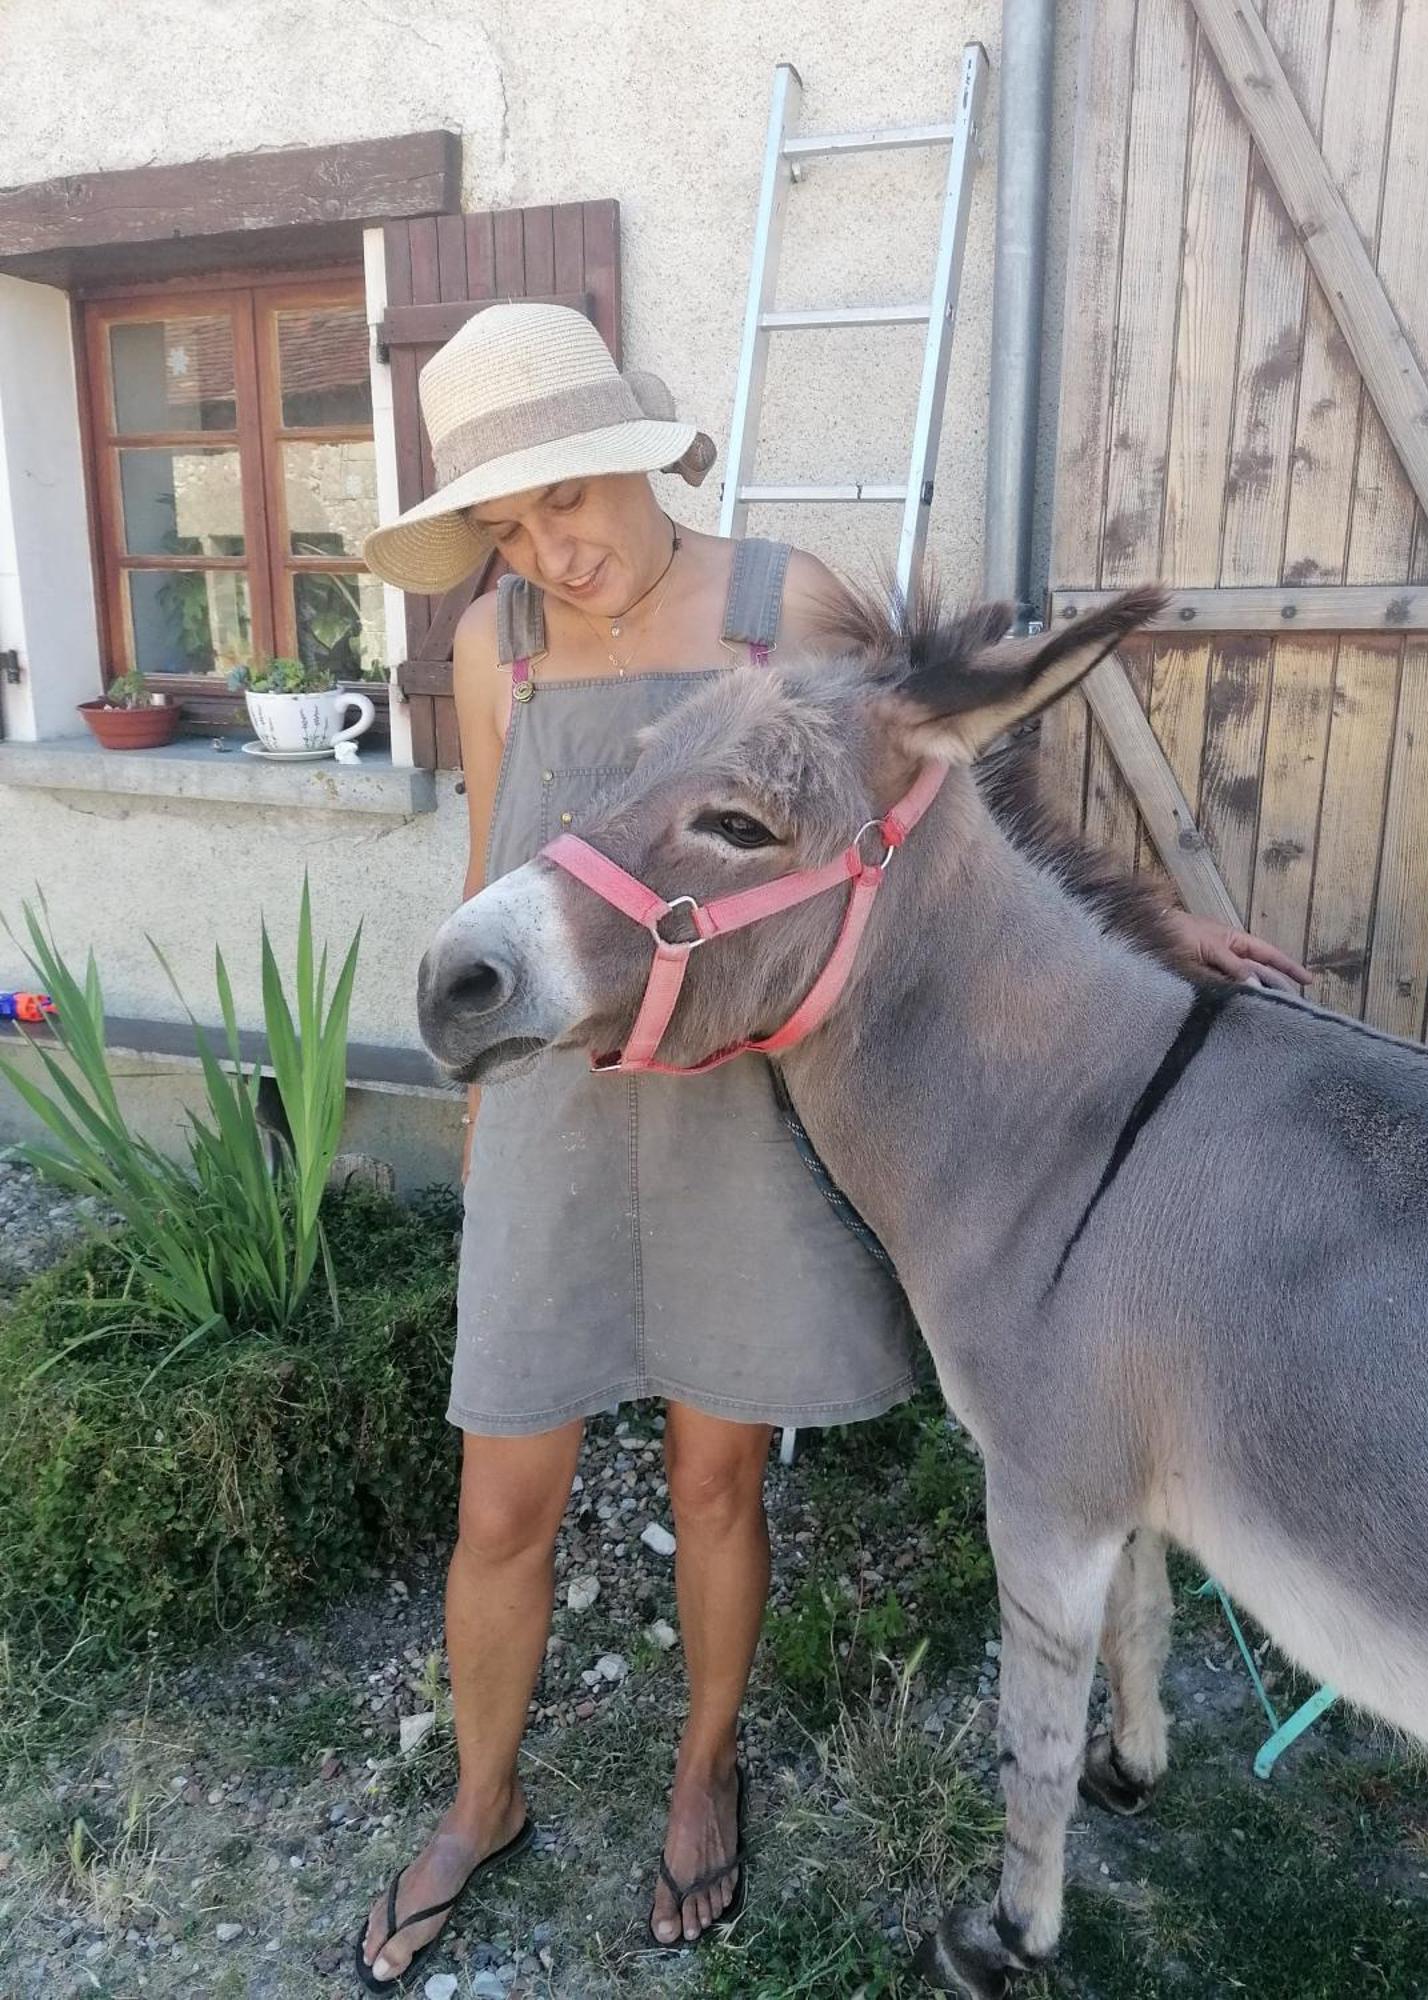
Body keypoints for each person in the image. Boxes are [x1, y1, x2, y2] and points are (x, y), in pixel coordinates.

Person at [353, 302, 1309, 1990]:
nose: (547, 547)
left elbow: (962, 807)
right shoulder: (496, 646)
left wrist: (1155, 926)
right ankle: (478, 1798)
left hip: (744, 1105)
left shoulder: (779, 604)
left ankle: (704, 1770)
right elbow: (500, 870)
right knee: (503, 1498)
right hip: (570, 1113)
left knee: (718, 1480)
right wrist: (493, 1105)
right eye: (507, 523)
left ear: (641, 461)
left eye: (565, 498)